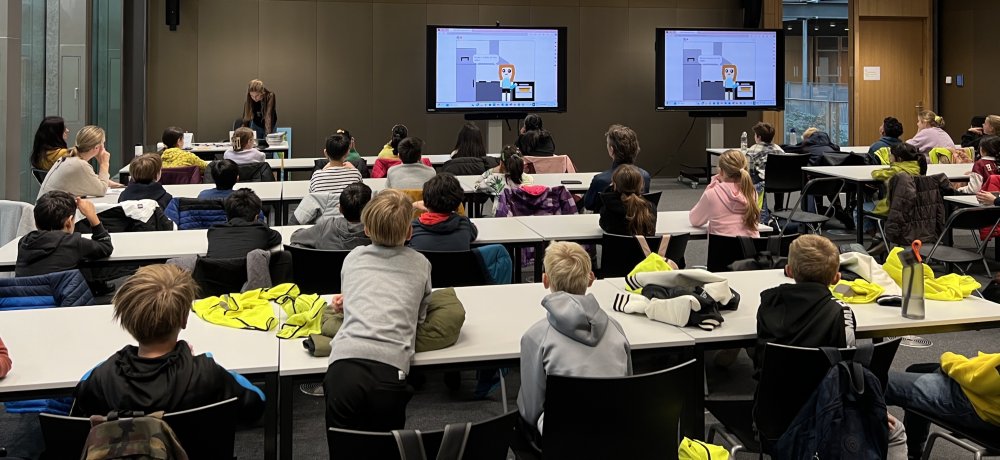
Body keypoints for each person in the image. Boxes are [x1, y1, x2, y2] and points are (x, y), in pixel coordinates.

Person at [754, 235, 909, 458]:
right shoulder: (840, 313)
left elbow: (759, 359)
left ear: (789, 271)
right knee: (897, 431)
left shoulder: (768, 304)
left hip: (771, 422)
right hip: (827, 419)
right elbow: (849, 372)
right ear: (837, 277)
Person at [69, 264, 265, 421]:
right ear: (184, 319)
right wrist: (192, 360)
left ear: (126, 320)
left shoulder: (102, 377)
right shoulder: (206, 373)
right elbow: (257, 403)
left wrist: (115, 360)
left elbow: (81, 396)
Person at [323, 189, 433, 431]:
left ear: (366, 229)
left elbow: (354, 302)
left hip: (343, 366)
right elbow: (420, 317)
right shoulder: (421, 263)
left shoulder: (353, 258)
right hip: (390, 368)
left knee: (342, 444)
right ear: (409, 232)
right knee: (386, 445)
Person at [517, 241, 632, 440]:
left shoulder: (536, 337)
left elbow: (531, 410)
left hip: (563, 442)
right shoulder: (616, 330)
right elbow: (628, 389)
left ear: (545, 280)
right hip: (615, 436)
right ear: (591, 279)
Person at [886, 351, 1000, 459]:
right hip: (990, 398)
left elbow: (976, 380)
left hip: (976, 404)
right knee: (916, 370)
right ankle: (911, 452)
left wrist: (948, 358)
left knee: (881, 381)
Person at [16, 191, 113, 277]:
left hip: (23, 292)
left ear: (36, 223)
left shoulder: (24, 242)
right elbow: (106, 247)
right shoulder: (74, 243)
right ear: (69, 222)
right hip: (60, 292)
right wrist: (92, 215)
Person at [37, 125, 122, 199]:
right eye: (103, 143)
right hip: (52, 211)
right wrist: (104, 164)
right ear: (96, 147)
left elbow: (88, 177)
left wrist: (107, 182)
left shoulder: (69, 159)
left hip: (46, 208)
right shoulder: (79, 164)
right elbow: (102, 190)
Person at [689, 149, 760, 237]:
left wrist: (709, 188)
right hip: (751, 245)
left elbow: (694, 220)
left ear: (721, 172)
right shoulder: (752, 192)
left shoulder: (712, 194)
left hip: (721, 245)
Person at [583, 124, 651, 212]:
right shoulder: (645, 176)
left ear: (612, 150)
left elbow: (588, 205)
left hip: (607, 220)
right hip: (636, 219)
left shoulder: (600, 180)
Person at [290, 182, 372, 250]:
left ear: (340, 209)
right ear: (370, 209)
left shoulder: (326, 227)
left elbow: (295, 237)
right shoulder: (377, 232)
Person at [409, 173, 478, 251]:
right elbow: (473, 235)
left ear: (426, 202)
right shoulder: (465, 224)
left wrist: (413, 205)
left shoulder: (413, 228)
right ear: (458, 202)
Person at [206, 189, 281, 259]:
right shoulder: (261, 230)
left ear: (227, 216)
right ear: (256, 217)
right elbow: (277, 237)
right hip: (249, 269)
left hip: (216, 269)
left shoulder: (213, 231)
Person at [599, 164, 656, 236]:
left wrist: (608, 191)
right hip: (642, 244)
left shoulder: (608, 210)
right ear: (640, 185)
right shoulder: (650, 209)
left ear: (614, 185)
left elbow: (603, 225)